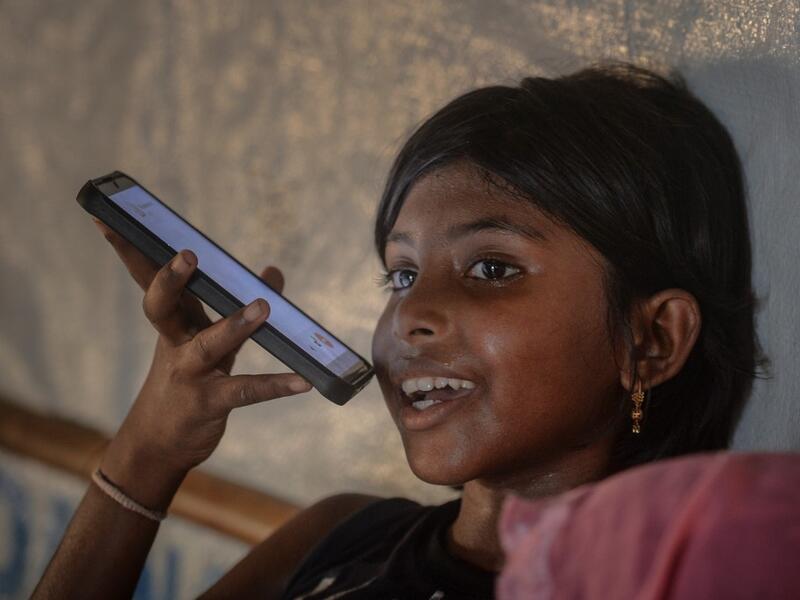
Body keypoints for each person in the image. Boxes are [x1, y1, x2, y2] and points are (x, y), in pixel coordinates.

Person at [34, 63, 760, 599]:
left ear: (654, 340)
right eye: (403, 275)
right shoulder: (341, 538)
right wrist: (149, 451)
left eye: (493, 269)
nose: (410, 316)